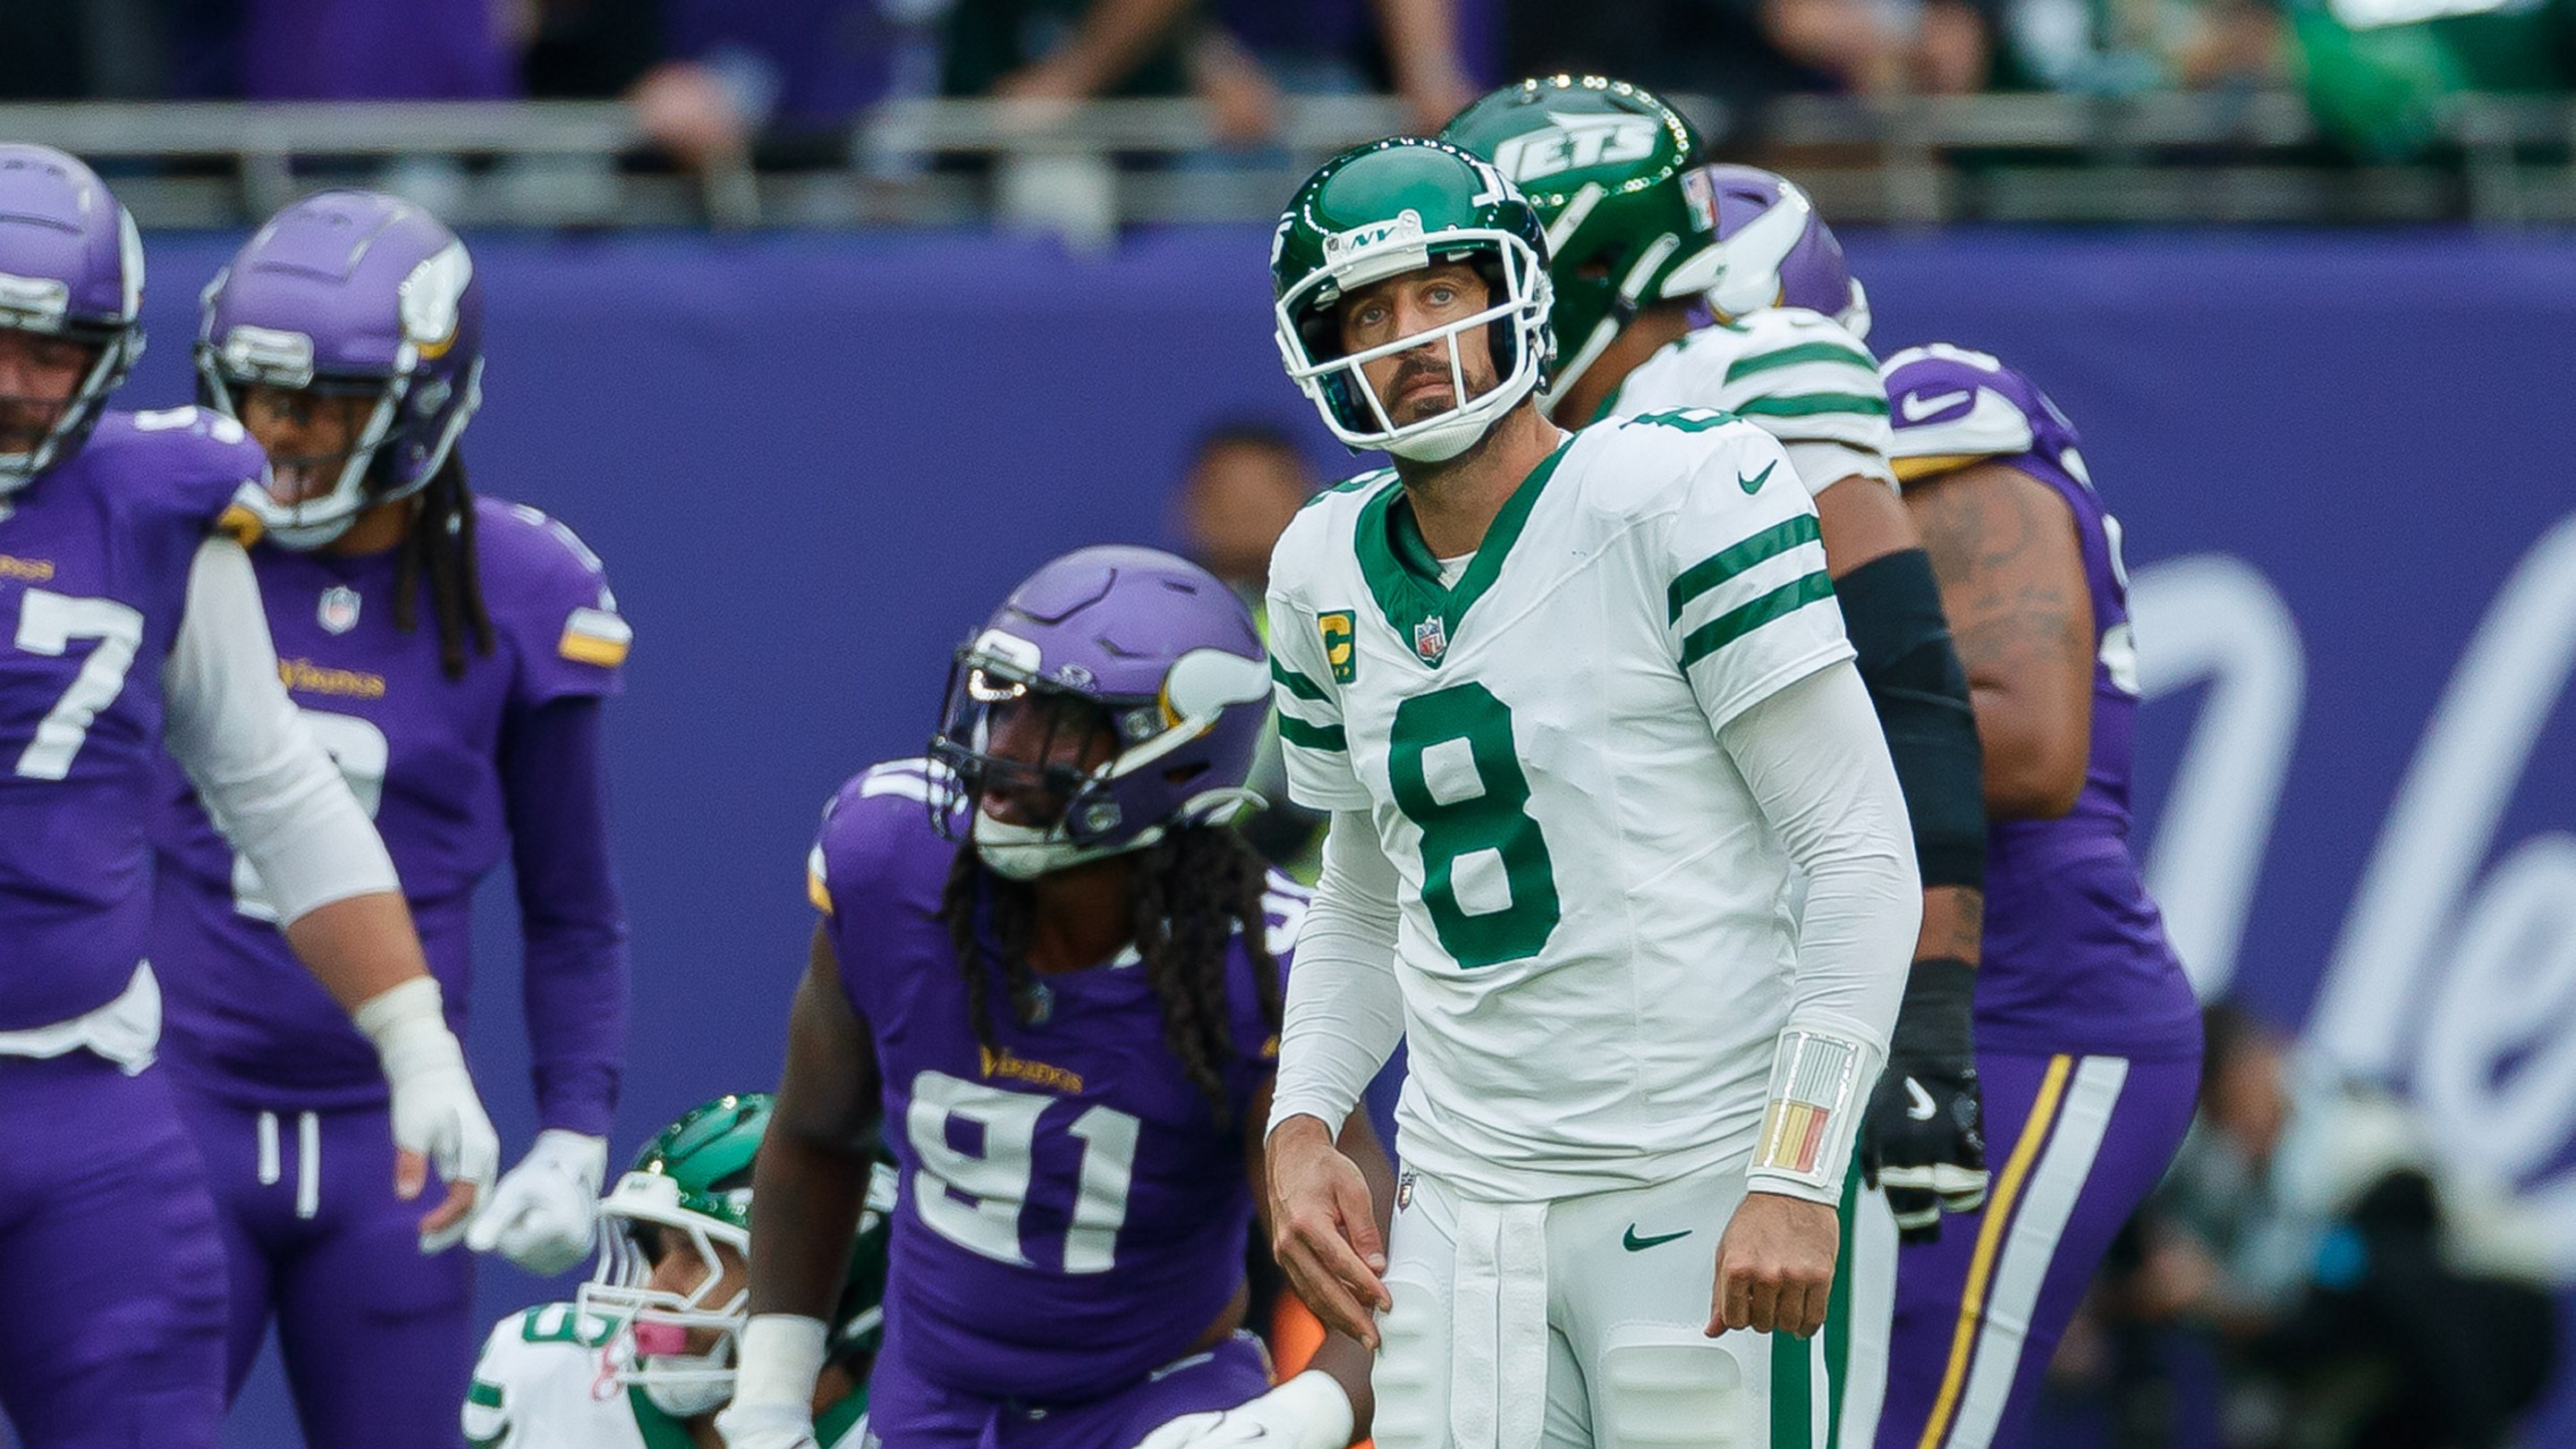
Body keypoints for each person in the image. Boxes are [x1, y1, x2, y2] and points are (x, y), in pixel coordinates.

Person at [1258, 136, 1919, 1448]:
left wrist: (1796, 1171)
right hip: (1463, 1209)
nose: (1410, 339)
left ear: (1516, 293)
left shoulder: (1672, 490)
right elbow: (1362, 892)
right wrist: (1300, 1124)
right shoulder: (1317, 564)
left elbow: (1859, 849)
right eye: (1370, 314)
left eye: (1440, 291)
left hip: (1700, 1175)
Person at [1437, 79, 1994, 1408]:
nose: (1445, 321)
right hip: (1539, 1098)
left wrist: (1926, 1022)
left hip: (1735, 1069)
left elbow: (1908, 685)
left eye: (1473, 275)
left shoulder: (1739, 369)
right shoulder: (1491, 469)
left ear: (1576, 260)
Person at [0, 144, 495, 1448]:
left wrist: (414, 1040)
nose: (17, 381)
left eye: (55, 349)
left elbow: (275, 789)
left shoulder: (152, 503)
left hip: (92, 1101)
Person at [717, 545, 1389, 1449]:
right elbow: (814, 1138)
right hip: (929, 1405)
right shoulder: (890, 860)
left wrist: (1290, 1422)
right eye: (1007, 703)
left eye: (1062, 723)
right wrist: (767, 1403)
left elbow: (1379, 1285)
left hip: (1155, 1411)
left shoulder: (1263, 967)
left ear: (1182, 758)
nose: (1008, 750)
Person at [149, 190, 631, 1445]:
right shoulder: (173, 528)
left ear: (421, 400)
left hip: (395, 1142)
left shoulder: (523, 589)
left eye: (320, 401)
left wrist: (577, 1131)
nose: (275, 429)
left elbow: (572, 908)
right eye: (254, 392)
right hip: (174, 1111)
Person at [1867, 339, 2205, 1449]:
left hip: (2029, 1015)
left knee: (1912, 1422)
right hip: (1882, 1011)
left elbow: (2024, 747)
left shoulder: (1932, 431)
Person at [464, 1092, 891, 1447]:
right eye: (656, 1249)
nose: (658, 1285)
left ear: (833, 1285)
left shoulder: (912, 1430)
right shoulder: (546, 1372)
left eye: (701, 1256)